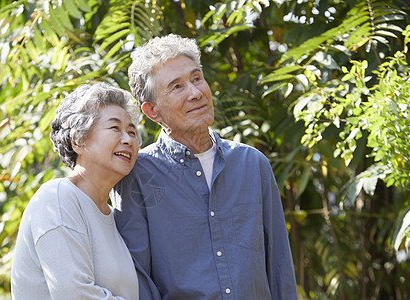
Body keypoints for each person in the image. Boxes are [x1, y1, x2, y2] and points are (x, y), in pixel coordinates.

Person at [112, 34, 298, 299]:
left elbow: (279, 266)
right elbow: (138, 279)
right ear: (152, 111)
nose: (196, 93)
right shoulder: (137, 176)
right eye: (177, 87)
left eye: (197, 78)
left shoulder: (252, 165)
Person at [11, 82, 140, 299]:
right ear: (78, 141)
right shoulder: (57, 198)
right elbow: (74, 294)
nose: (128, 139)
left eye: (132, 132)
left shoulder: (114, 216)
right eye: (115, 128)